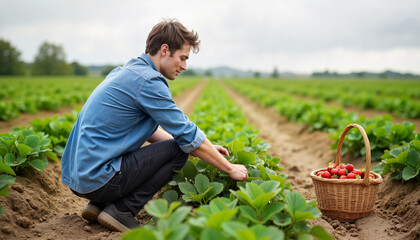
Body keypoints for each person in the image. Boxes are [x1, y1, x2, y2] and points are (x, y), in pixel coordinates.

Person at [61, 18, 248, 232]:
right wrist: (229, 167)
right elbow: (186, 133)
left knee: (179, 145)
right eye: (183, 58)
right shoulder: (148, 82)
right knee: (180, 150)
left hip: (78, 177)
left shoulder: (123, 72)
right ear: (165, 50)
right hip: (99, 179)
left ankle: (99, 204)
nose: (185, 66)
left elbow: (154, 132)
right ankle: (121, 210)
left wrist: (203, 149)